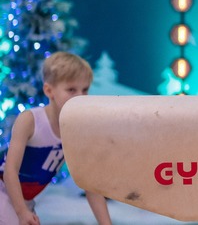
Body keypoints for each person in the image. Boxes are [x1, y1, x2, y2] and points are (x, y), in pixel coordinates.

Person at [0, 51, 113, 225]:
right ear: (49, 90)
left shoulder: (79, 132)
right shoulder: (30, 120)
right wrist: (21, 211)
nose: (80, 97)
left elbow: (90, 185)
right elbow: (10, 171)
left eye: (85, 90)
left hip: (24, 201)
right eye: (71, 90)